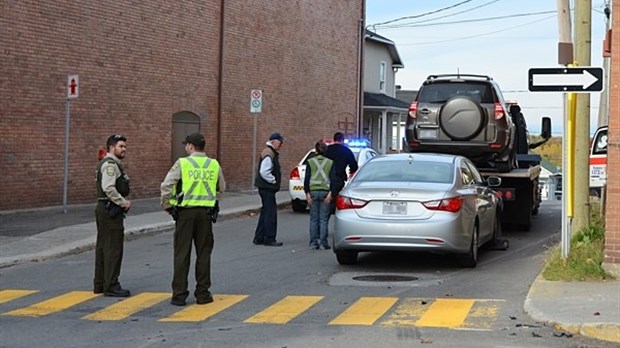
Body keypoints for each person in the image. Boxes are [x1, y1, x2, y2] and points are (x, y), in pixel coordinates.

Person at [160, 132, 226, 306]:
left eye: (186, 145)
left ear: (190, 146)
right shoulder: (214, 164)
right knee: (204, 254)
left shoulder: (183, 163)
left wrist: (167, 204)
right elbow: (222, 188)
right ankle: (203, 294)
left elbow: (166, 185)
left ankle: (179, 295)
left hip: (185, 214)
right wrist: (211, 200)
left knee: (182, 254)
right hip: (205, 214)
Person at [94, 134, 132, 297]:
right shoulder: (110, 165)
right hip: (110, 210)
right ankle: (111, 285)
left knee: (103, 247)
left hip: (105, 208)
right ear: (112, 147)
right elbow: (109, 188)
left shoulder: (110, 163)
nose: (124, 149)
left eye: (124, 146)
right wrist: (123, 202)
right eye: (121, 146)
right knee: (113, 248)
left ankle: (100, 283)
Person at [253, 132, 285, 247]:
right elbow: (264, 171)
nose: (281, 145)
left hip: (264, 187)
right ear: (274, 142)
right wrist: (273, 181)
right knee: (270, 213)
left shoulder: (270, 152)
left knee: (265, 212)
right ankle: (269, 238)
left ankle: (259, 237)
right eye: (280, 142)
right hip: (267, 187)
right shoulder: (269, 153)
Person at [304, 141, 335, 250]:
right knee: (323, 219)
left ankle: (313, 243)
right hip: (325, 192)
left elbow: (307, 178)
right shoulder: (330, 163)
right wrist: (330, 194)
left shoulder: (310, 162)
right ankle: (323, 243)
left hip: (312, 192)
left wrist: (307, 194)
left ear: (316, 150)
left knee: (314, 219)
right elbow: (333, 180)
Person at [324, 131, 358, 197]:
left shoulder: (327, 150)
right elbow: (354, 166)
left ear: (334, 139)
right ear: (342, 140)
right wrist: (350, 173)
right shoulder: (346, 151)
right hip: (339, 179)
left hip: (325, 180)